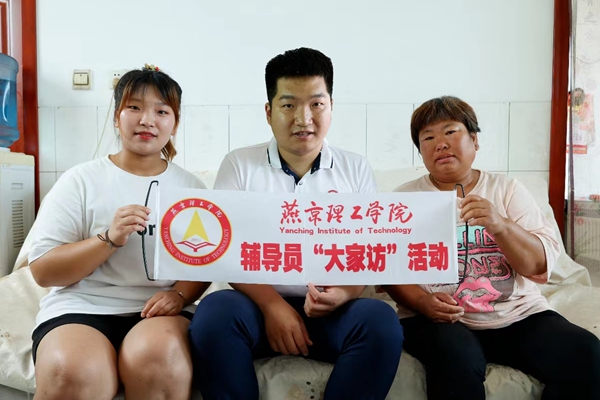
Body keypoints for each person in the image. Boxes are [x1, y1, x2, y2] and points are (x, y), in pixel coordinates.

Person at [188, 47, 403, 400]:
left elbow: (368, 251)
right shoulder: (240, 164)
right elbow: (225, 250)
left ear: (331, 107)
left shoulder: (355, 168)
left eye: (316, 104)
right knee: (214, 312)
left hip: (332, 313)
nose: (304, 119)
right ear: (269, 111)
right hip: (256, 309)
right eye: (289, 105)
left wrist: (344, 293)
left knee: (380, 320)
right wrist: (272, 306)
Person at [384, 96, 600, 400]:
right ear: (420, 151)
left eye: (450, 132)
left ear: (474, 140)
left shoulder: (507, 190)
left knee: (586, 353)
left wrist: (501, 225)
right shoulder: (403, 200)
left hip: (518, 315)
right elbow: (388, 271)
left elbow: (539, 265)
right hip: (437, 320)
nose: (440, 144)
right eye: (428, 138)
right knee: (458, 358)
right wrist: (421, 302)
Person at [29, 66, 209, 400]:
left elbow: (204, 262)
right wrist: (108, 240)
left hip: (160, 313)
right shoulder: (80, 180)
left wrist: (180, 294)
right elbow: (43, 270)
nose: (147, 120)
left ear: (175, 123)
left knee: (159, 362)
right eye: (134, 107)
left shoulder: (191, 189)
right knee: (70, 372)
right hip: (81, 308)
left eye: (161, 111)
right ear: (116, 117)